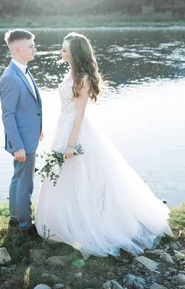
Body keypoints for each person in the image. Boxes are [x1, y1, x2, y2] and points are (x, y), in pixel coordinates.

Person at [35, 32, 172, 258]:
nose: (61, 52)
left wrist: (70, 145)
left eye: (64, 49)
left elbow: (79, 114)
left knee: (81, 177)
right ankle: (58, 222)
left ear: (75, 53)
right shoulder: (71, 73)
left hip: (75, 133)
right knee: (59, 177)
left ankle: (84, 225)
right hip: (62, 128)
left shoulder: (84, 79)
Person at [0, 29, 43, 237]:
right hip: (22, 141)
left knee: (19, 177)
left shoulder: (22, 70)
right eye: (31, 46)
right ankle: (26, 225)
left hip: (29, 135)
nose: (35, 49)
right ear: (18, 49)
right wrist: (18, 146)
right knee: (25, 182)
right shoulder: (10, 78)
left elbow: (29, 106)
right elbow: (8, 115)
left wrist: (38, 129)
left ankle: (15, 216)